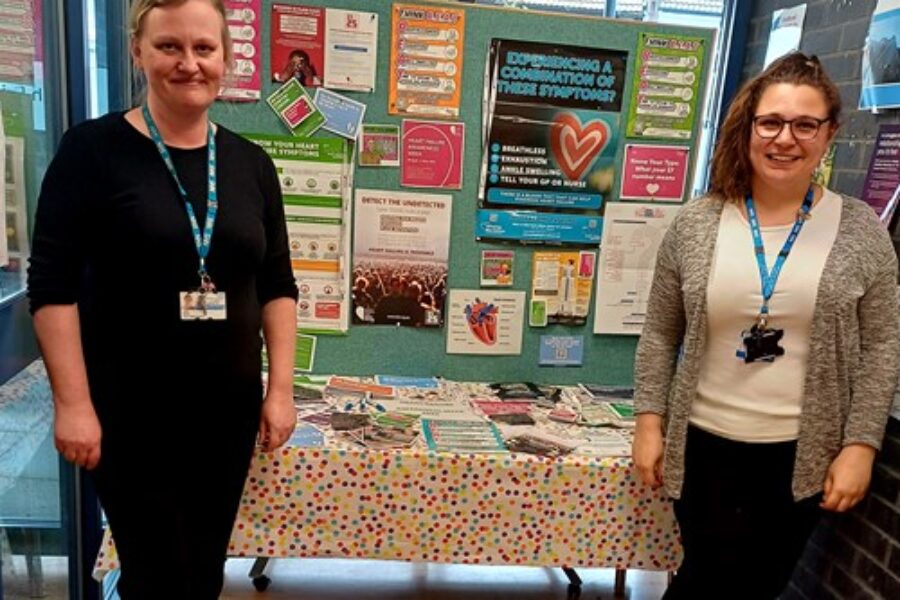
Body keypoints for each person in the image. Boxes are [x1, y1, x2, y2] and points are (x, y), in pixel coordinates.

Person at [27, 1, 299, 598]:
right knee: (155, 574)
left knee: (202, 570)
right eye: (169, 46)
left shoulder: (251, 165)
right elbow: (52, 288)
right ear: (138, 53)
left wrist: (280, 390)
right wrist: (73, 404)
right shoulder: (90, 152)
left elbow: (277, 286)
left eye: (204, 48)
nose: (189, 63)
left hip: (225, 413)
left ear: (226, 58)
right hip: (130, 414)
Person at [632, 52, 900, 600]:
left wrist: (861, 446)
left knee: (758, 584)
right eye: (771, 122)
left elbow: (882, 346)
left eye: (806, 124)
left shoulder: (861, 231)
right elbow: (661, 330)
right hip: (703, 444)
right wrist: (648, 421)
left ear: (829, 134)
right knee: (709, 578)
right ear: (748, 125)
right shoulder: (697, 223)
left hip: (800, 454)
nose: (785, 139)